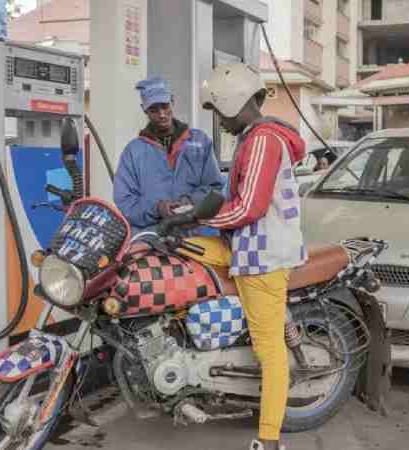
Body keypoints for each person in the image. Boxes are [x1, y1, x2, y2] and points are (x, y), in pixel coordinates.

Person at [180, 63, 306, 450]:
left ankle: (268, 439)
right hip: (246, 245)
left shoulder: (263, 141)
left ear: (233, 103)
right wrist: (186, 222)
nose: (217, 120)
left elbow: (248, 207)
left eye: (218, 110)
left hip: (262, 256)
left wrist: (196, 216)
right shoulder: (254, 137)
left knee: (269, 351)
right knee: (174, 250)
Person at [113, 76, 223, 234]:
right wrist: (157, 208)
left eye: (165, 106)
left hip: (196, 235)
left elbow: (214, 187)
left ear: (173, 101)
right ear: (144, 109)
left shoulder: (200, 142)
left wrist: (190, 201)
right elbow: (125, 201)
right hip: (153, 238)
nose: (162, 114)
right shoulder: (133, 151)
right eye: (153, 109)